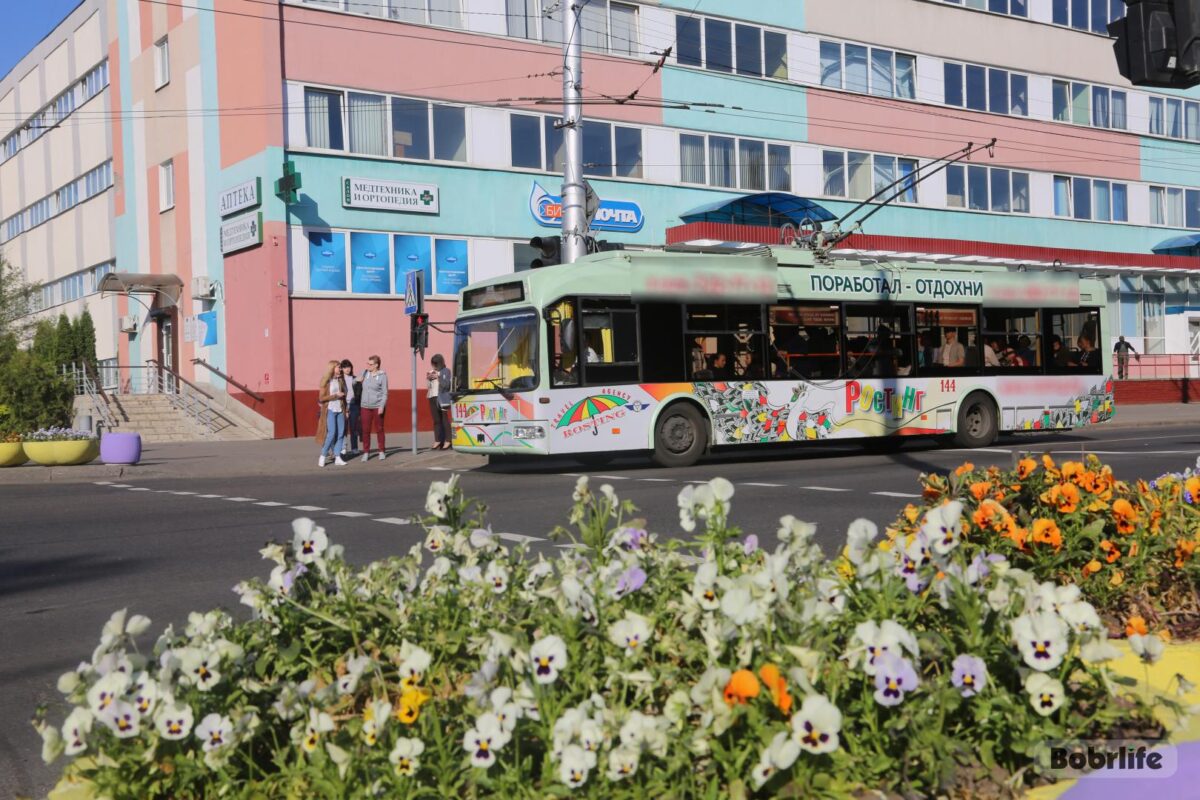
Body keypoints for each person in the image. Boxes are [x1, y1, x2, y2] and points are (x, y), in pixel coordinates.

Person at [316, 360, 348, 467]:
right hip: (329, 409)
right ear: (332, 368)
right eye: (338, 367)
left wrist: (346, 409)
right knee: (331, 433)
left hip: (340, 409)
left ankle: (338, 457)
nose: (340, 369)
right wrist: (336, 395)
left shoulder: (340, 379)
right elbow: (321, 398)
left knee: (341, 433)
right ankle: (323, 455)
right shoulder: (326, 381)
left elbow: (345, 394)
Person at [359, 355, 388, 461]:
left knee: (379, 429)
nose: (368, 365)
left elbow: (385, 393)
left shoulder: (382, 375)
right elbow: (354, 383)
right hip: (365, 406)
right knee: (365, 430)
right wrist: (358, 380)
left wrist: (382, 406)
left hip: (377, 406)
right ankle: (366, 452)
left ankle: (381, 451)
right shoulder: (364, 372)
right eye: (367, 363)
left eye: (370, 364)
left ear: (376, 365)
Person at [427, 353, 452, 450]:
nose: (433, 366)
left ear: (440, 363)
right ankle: (438, 440)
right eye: (432, 364)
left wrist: (438, 378)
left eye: (435, 364)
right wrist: (429, 379)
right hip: (432, 397)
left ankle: (448, 440)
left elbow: (446, 385)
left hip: (442, 398)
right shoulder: (431, 371)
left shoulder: (446, 371)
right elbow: (429, 387)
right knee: (436, 420)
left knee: (444, 419)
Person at [340, 359, 361, 457]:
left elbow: (359, 392)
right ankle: (343, 447)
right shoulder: (340, 379)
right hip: (343, 405)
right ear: (342, 369)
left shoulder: (355, 378)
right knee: (343, 428)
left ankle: (354, 448)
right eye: (345, 367)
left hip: (354, 405)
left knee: (354, 428)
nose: (347, 369)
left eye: (349, 367)